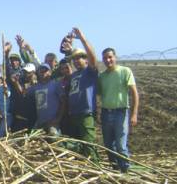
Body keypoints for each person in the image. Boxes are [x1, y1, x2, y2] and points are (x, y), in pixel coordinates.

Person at [98, 48, 139, 173]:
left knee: (121, 146)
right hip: (106, 113)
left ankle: (125, 170)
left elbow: (135, 94)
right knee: (109, 146)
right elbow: (99, 93)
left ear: (115, 57)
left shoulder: (125, 71)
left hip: (120, 113)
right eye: (105, 58)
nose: (108, 60)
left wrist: (134, 114)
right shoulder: (102, 76)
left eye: (110, 57)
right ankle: (115, 170)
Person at [67, 27, 99, 162]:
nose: (76, 60)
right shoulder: (74, 75)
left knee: (89, 144)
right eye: (74, 59)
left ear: (86, 60)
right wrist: (70, 48)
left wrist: (82, 39)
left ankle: (97, 169)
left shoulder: (89, 71)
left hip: (86, 113)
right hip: (74, 114)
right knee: (78, 145)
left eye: (79, 58)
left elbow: (92, 56)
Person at [27, 63, 65, 134]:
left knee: (54, 139)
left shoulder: (56, 84)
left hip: (53, 123)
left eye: (45, 70)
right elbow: (24, 93)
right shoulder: (34, 87)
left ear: (50, 72)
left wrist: (58, 119)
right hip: (40, 122)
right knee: (33, 140)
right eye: (41, 71)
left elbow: (63, 102)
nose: (43, 72)